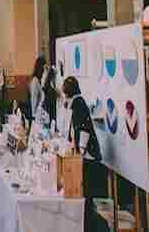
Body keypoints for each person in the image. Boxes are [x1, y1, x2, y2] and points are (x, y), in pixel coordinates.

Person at [62, 76, 106, 231]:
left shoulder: (77, 104)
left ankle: (86, 225)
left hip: (88, 156)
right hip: (87, 155)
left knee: (86, 194)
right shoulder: (77, 102)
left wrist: (79, 152)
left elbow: (83, 130)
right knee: (85, 194)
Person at [29, 56, 46, 121]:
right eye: (44, 67)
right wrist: (34, 115)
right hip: (36, 115)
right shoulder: (35, 81)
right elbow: (34, 99)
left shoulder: (41, 80)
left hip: (41, 114)